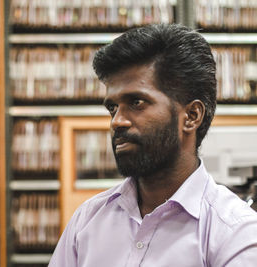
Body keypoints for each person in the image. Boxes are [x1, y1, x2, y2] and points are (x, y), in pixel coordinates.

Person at [48, 24, 257, 267]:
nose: (117, 121)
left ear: (191, 116)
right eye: (112, 108)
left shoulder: (235, 234)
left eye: (136, 102)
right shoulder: (87, 221)